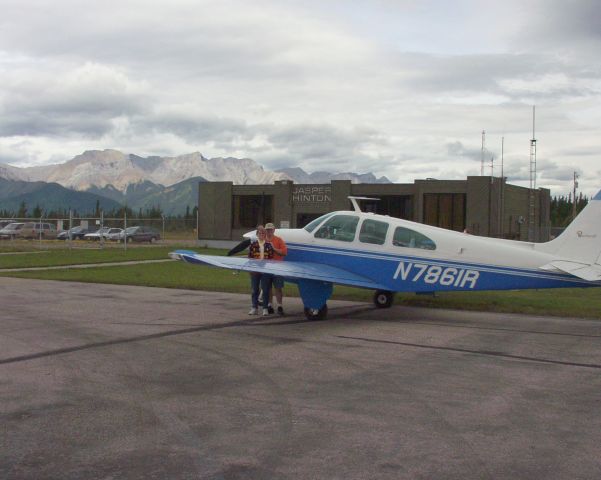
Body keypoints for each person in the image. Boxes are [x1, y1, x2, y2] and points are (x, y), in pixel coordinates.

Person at [247, 225, 274, 316]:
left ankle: (265, 308)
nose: (261, 234)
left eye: (263, 233)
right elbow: (250, 258)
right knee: (255, 289)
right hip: (255, 270)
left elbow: (270, 258)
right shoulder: (253, 245)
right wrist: (251, 269)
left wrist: (268, 268)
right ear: (257, 234)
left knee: (265, 290)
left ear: (265, 235)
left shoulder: (268, 245)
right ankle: (254, 307)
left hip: (265, 270)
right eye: (260, 233)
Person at [264, 222, 287, 315]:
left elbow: (284, 252)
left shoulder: (279, 240)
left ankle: (279, 306)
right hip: (266, 267)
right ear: (266, 231)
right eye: (268, 230)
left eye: (271, 229)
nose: (269, 231)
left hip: (278, 267)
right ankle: (269, 305)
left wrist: (274, 249)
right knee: (267, 287)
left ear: (274, 230)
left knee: (278, 287)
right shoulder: (263, 240)